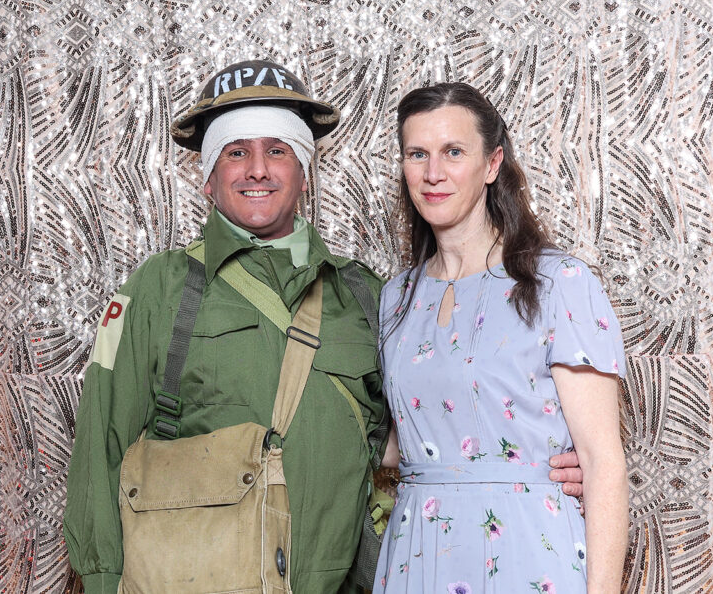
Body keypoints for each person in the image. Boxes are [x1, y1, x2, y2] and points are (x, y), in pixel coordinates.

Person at [63, 61, 586, 594]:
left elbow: (415, 427)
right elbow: (100, 445)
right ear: (207, 178)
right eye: (236, 151)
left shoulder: (365, 295)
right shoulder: (158, 288)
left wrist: (534, 465)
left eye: (278, 151)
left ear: (305, 172)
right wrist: (103, 581)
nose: (257, 170)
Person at [374, 82, 628, 593]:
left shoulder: (559, 283)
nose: (433, 173)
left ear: (492, 165)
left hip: (527, 551)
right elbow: (400, 444)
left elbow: (603, 464)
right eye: (417, 154)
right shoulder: (396, 297)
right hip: (416, 554)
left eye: (453, 152)